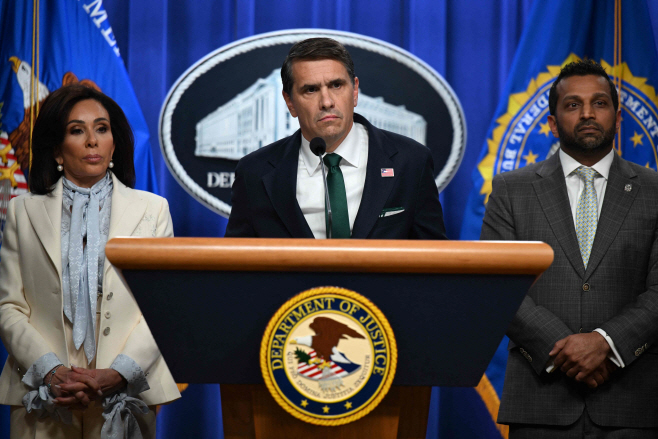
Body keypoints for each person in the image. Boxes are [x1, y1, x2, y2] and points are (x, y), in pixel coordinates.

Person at [481, 59, 658, 437]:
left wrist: (606, 344)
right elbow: (496, 285)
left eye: (600, 103)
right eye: (573, 104)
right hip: (541, 400)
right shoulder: (511, 190)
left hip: (633, 401)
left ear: (618, 118)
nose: (588, 113)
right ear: (552, 121)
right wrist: (565, 351)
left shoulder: (654, 191)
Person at [0, 84, 180, 438]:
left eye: (101, 128)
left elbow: (164, 307)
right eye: (76, 130)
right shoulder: (22, 210)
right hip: (44, 393)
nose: (92, 141)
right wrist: (51, 372)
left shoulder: (153, 209)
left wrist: (118, 373)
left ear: (114, 142)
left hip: (125, 393)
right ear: (57, 148)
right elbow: (9, 306)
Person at [225, 37, 447, 240]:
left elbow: (435, 258)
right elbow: (235, 262)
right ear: (290, 102)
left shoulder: (411, 162)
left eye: (336, 85)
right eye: (311, 90)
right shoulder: (254, 172)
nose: (327, 102)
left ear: (355, 91)